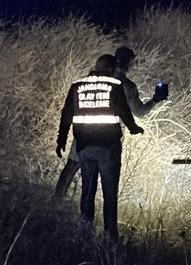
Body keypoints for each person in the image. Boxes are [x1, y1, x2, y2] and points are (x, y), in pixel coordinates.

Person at [53, 47, 165, 198]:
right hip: (110, 138)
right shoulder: (127, 86)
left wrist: (62, 138)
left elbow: (70, 110)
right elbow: (139, 112)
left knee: (72, 166)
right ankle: (95, 216)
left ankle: (58, 200)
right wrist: (155, 100)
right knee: (107, 177)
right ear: (130, 63)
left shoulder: (94, 79)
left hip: (84, 131)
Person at [56, 55, 143, 241]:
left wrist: (61, 140)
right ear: (111, 68)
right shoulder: (114, 85)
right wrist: (134, 129)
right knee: (109, 193)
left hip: (84, 146)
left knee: (88, 190)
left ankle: (85, 232)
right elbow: (123, 111)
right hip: (109, 147)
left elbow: (66, 114)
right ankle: (110, 236)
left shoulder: (77, 86)